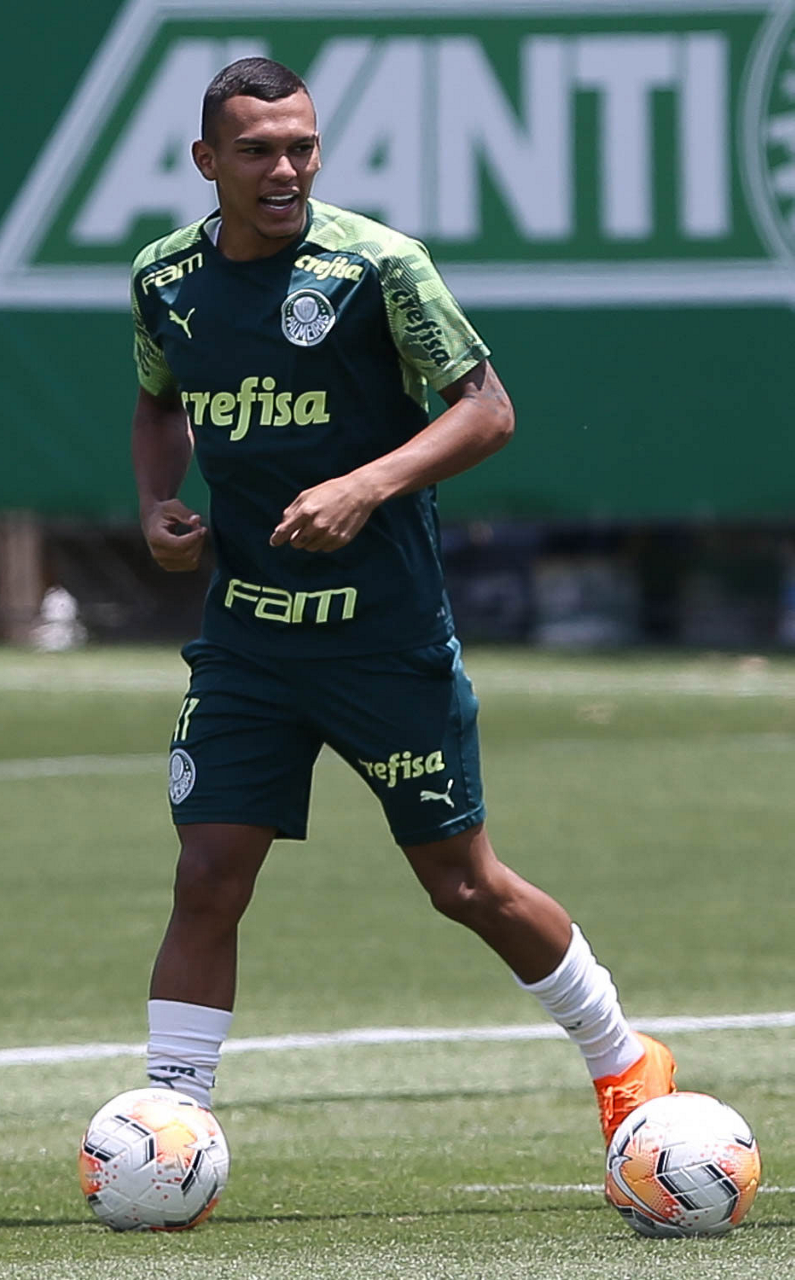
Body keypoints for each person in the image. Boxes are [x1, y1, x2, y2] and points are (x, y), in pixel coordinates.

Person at [129, 56, 676, 1148]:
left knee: (462, 886)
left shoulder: (377, 266)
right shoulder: (164, 278)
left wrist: (365, 484)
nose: (284, 170)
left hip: (382, 636)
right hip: (247, 638)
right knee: (207, 876)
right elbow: (157, 403)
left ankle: (622, 1055)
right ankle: (169, 1124)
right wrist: (156, 505)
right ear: (206, 161)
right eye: (256, 151)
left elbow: (487, 410)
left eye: (301, 147)